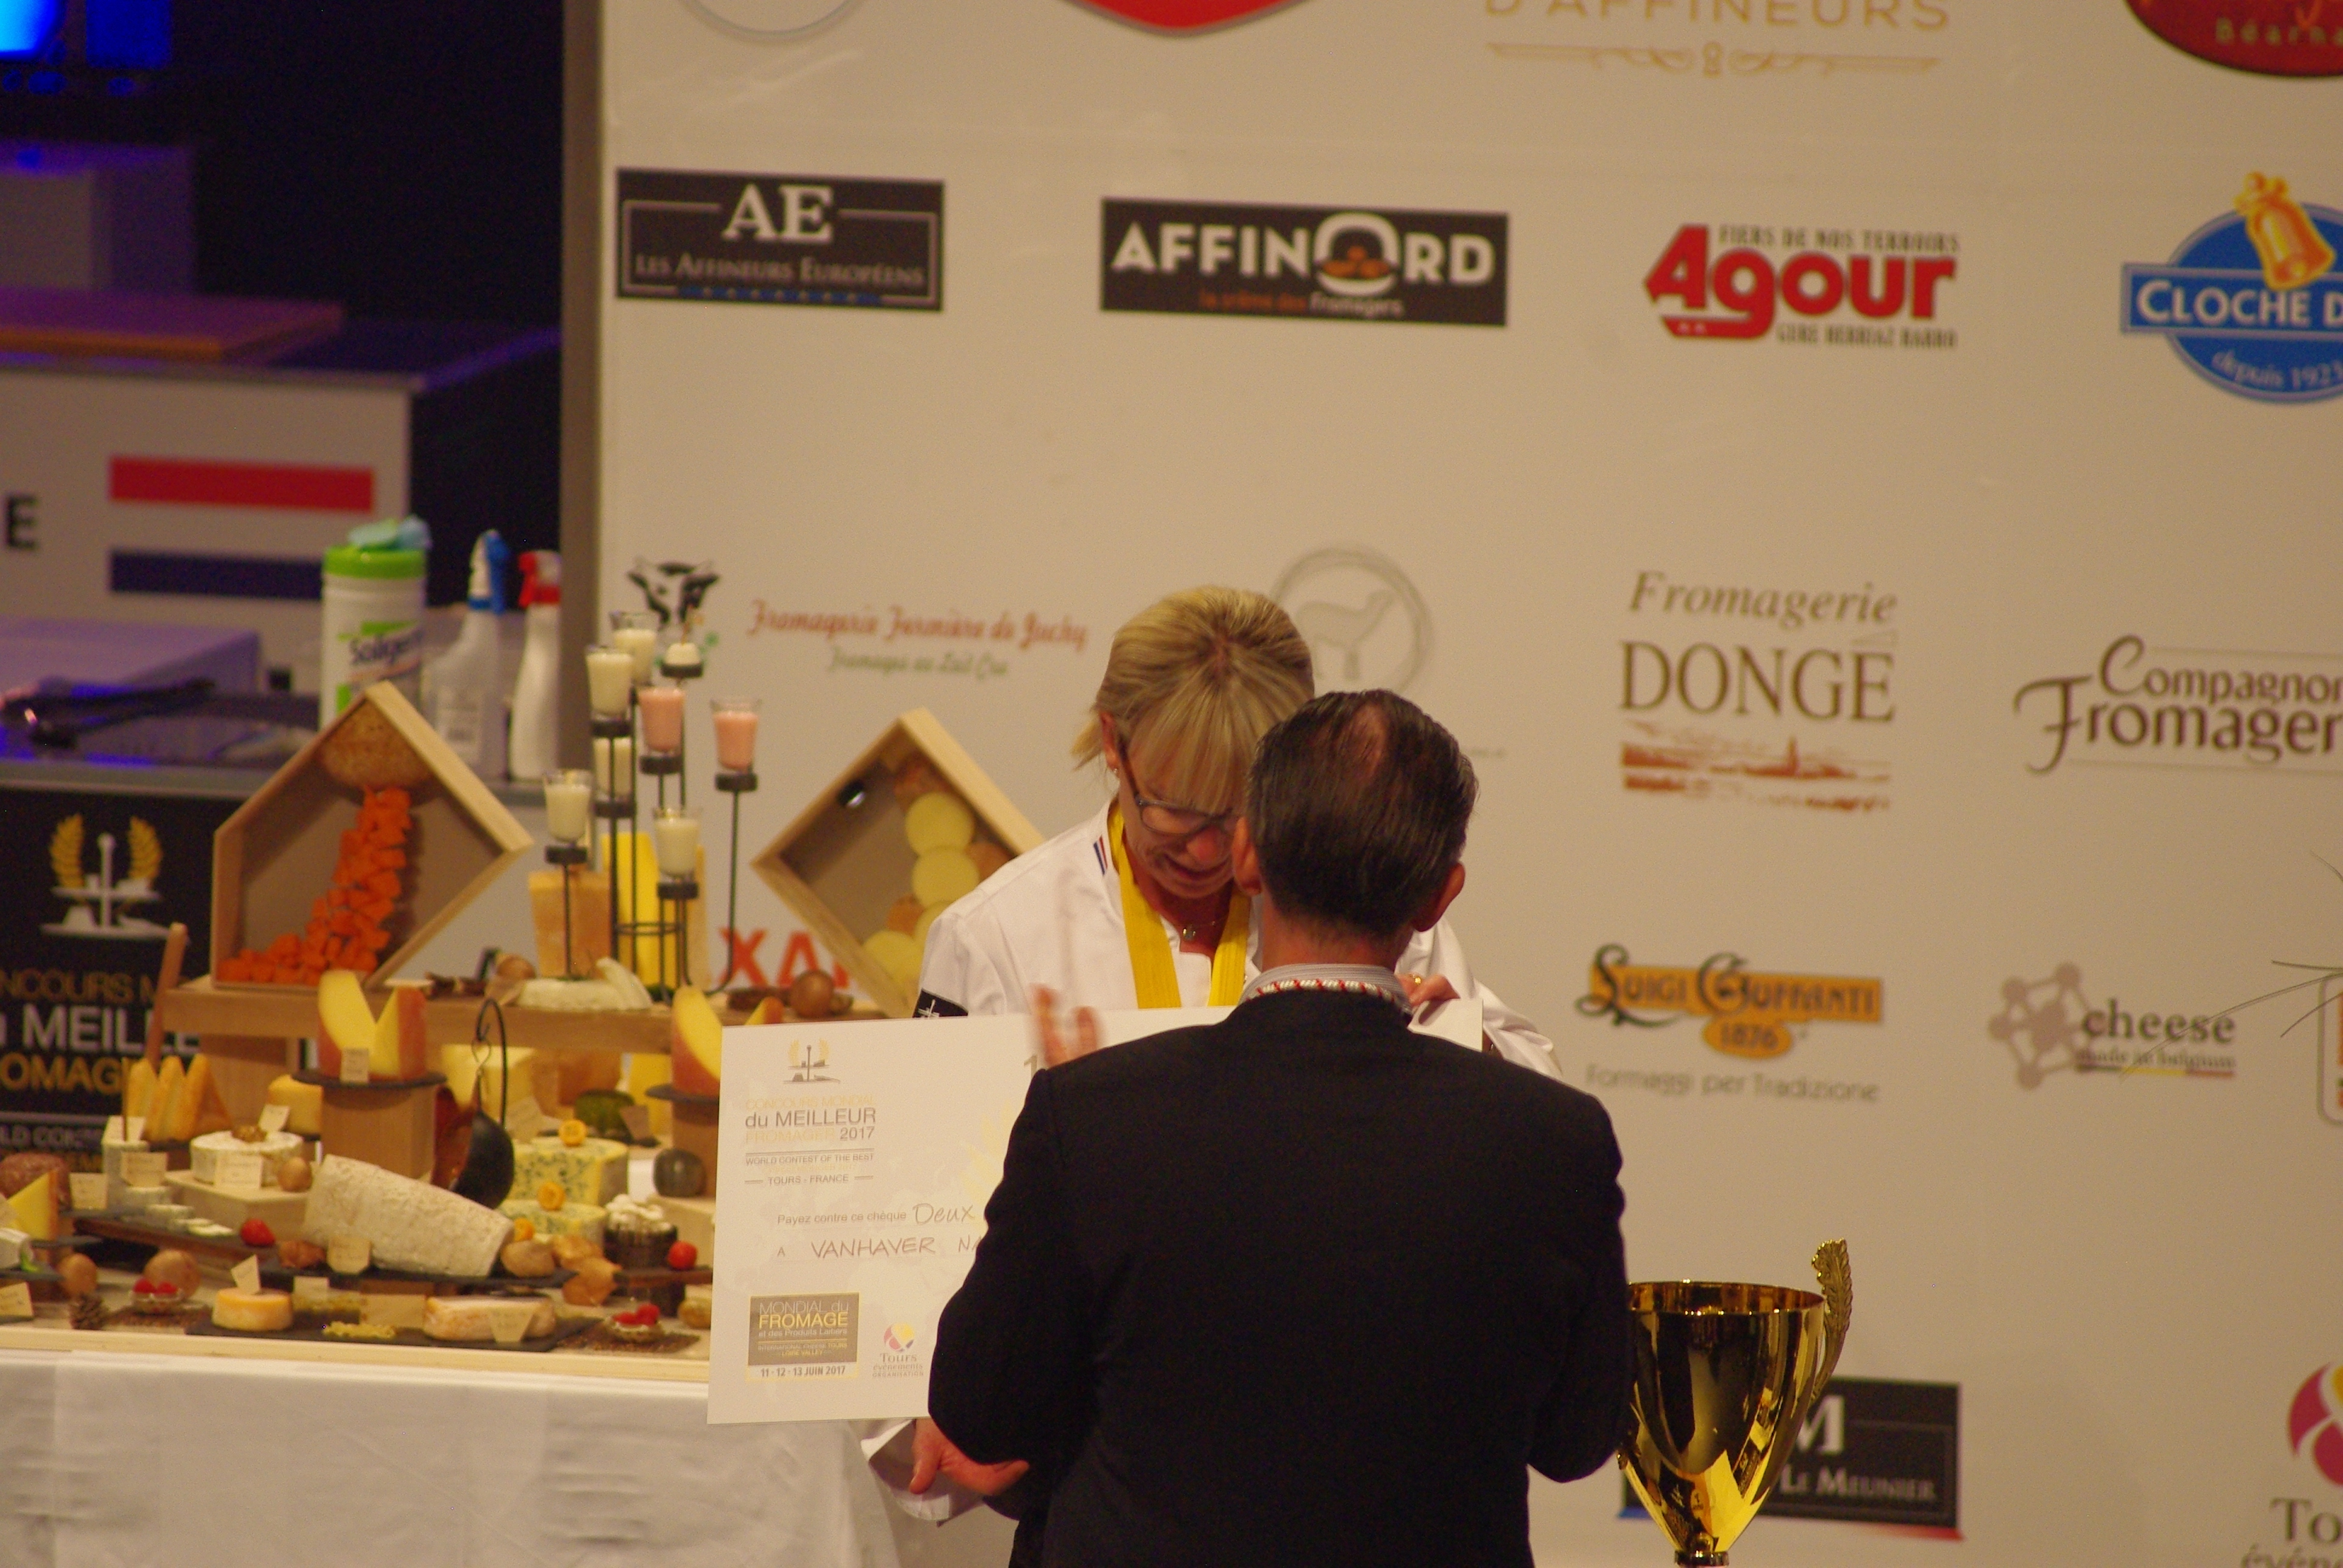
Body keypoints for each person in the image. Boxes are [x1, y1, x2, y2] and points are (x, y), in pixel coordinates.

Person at [916, 690, 1632, 1568]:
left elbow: (980, 1407)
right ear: (1439, 897)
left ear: (1247, 855)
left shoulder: (1092, 1117)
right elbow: (1576, 1439)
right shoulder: (1555, 1141)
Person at [915, 584, 1561, 1077]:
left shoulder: (1352, 904)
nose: (1204, 851)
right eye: (1173, 809)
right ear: (1114, 742)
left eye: (1238, 814)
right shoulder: (995, 937)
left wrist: (1464, 1045)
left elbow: (1543, 1092)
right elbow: (925, 1165)